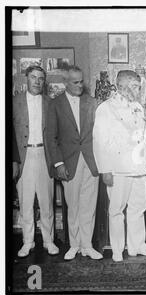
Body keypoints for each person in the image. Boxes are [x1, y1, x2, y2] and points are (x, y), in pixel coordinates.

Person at [93, 70, 146, 262]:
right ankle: (118, 250)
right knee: (116, 209)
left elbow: (144, 137)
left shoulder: (137, 106)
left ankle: (137, 247)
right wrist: (105, 169)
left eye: (139, 86)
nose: (138, 90)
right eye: (135, 86)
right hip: (118, 168)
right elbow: (99, 141)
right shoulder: (106, 108)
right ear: (121, 86)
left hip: (138, 166)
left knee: (139, 207)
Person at [46, 65, 102, 261]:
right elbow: (51, 138)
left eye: (81, 81)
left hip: (90, 161)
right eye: (75, 82)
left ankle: (87, 246)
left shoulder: (92, 102)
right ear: (65, 83)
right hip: (68, 162)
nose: (80, 85)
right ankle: (74, 245)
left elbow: (100, 134)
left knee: (89, 206)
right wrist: (58, 163)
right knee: (74, 206)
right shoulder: (55, 104)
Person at [13, 65, 59, 258]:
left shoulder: (50, 103)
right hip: (24, 158)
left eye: (41, 78)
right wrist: (13, 160)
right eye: (34, 77)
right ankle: (27, 241)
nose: (37, 82)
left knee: (46, 201)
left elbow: (56, 135)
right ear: (26, 78)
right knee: (25, 202)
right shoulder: (14, 101)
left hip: (44, 155)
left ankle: (49, 241)